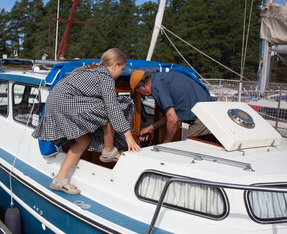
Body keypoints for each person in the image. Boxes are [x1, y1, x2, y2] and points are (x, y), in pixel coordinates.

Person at [32, 48, 141, 195]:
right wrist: (128, 137)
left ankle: (59, 179)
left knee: (83, 140)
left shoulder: (93, 71)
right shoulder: (105, 77)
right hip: (65, 103)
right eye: (122, 69)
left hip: (55, 102)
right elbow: (112, 107)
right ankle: (108, 151)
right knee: (112, 108)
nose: (121, 73)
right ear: (115, 65)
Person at [129, 70, 211, 144]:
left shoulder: (157, 87)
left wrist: (166, 142)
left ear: (144, 86)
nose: (142, 95)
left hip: (202, 116)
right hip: (207, 111)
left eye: (140, 92)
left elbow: (172, 119)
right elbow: (168, 117)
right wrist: (150, 128)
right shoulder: (159, 78)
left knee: (187, 149)